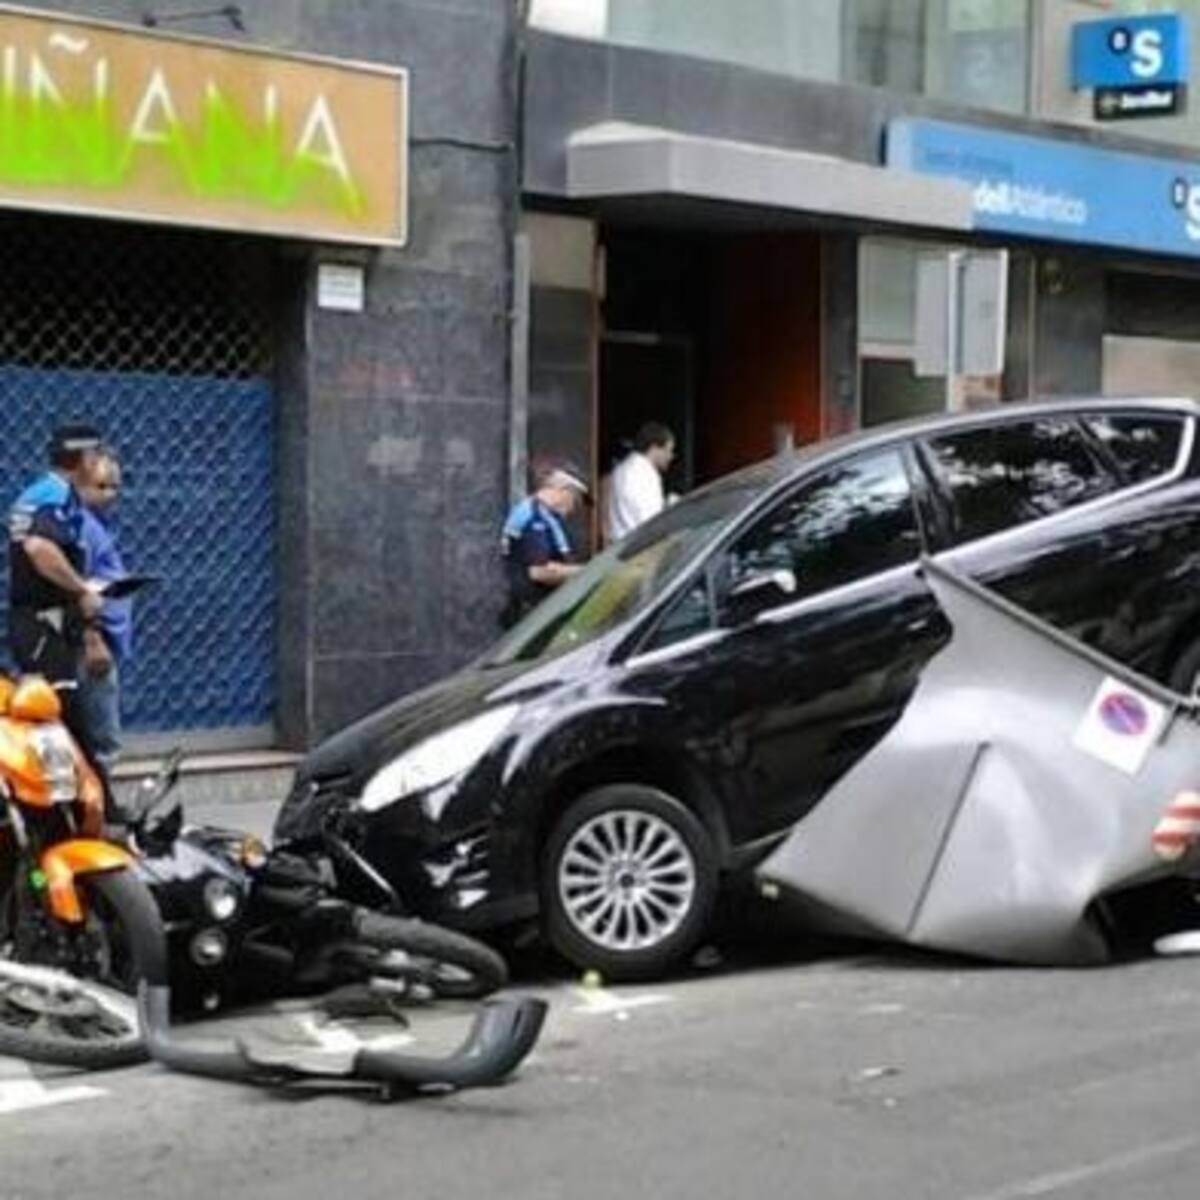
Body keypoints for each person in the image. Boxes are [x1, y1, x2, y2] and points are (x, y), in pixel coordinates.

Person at [8, 424, 106, 759]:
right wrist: (82, 589)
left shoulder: (48, 494)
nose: (99, 462)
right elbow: (39, 548)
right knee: (63, 715)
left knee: (64, 715)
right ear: (84, 458)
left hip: (46, 624)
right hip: (40, 625)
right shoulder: (55, 496)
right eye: (96, 454)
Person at [76, 447, 132, 769]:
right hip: (91, 644)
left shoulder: (98, 526)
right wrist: (93, 638)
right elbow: (79, 588)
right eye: (101, 486)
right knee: (103, 742)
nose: (110, 494)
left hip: (102, 640)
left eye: (114, 487)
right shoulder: (82, 527)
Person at [500, 463, 589, 628]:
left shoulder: (548, 516)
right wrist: (588, 572)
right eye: (576, 501)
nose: (575, 509)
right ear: (564, 490)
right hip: (532, 612)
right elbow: (539, 572)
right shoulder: (533, 516)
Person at [603, 421, 676, 544]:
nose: (670, 456)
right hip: (639, 546)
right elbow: (651, 520)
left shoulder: (621, 469)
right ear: (654, 448)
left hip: (619, 544)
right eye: (668, 450)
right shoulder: (646, 475)